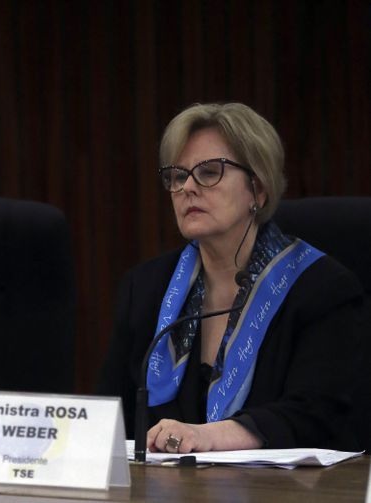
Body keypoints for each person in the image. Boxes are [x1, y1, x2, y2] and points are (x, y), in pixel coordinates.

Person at [97, 102, 365, 453]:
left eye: (209, 172)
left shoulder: (321, 289)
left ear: (258, 188)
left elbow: (315, 414)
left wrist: (208, 437)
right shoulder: (145, 288)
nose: (187, 188)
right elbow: (108, 416)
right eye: (177, 176)